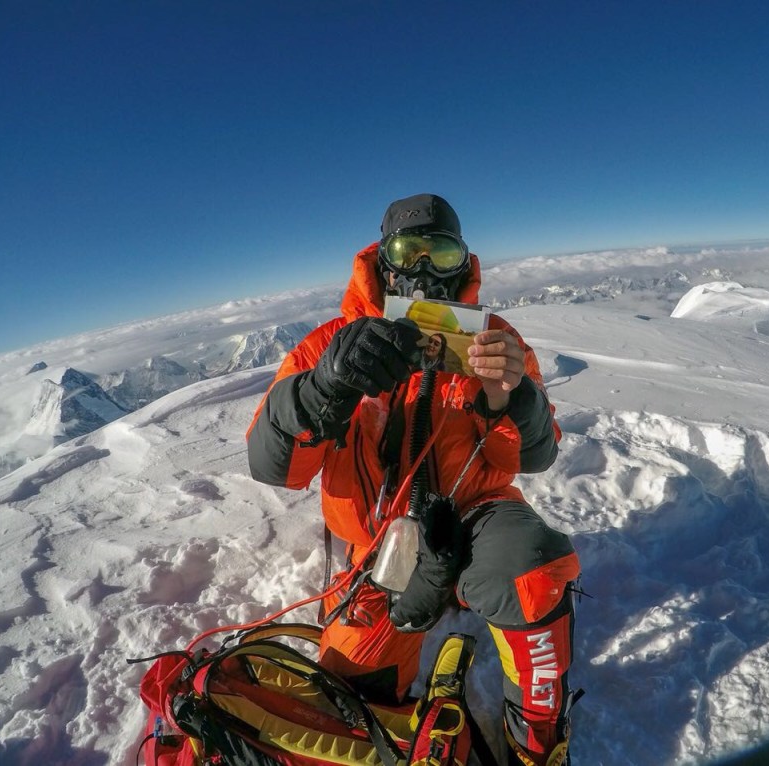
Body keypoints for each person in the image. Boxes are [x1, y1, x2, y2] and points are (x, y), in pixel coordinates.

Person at [246, 193, 580, 766]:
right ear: (384, 261)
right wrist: (324, 387)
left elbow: (537, 454)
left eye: (441, 253)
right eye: (409, 251)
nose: (424, 270)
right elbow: (272, 464)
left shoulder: (495, 341)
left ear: (463, 262)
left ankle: (538, 739)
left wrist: (513, 397)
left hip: (476, 517)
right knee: (351, 693)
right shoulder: (331, 345)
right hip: (382, 548)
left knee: (532, 571)